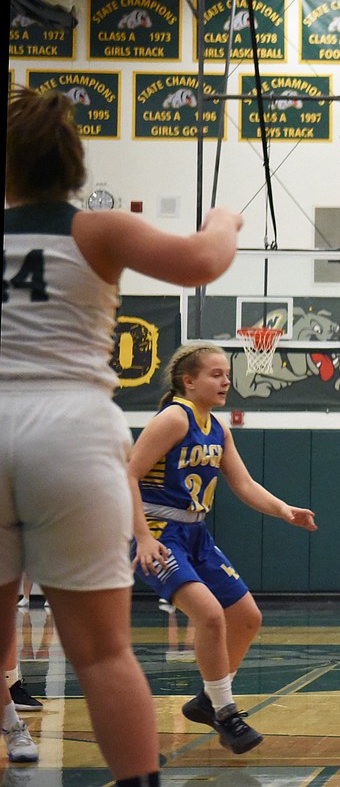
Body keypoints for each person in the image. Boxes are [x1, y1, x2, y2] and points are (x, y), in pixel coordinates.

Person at [1, 85, 242, 786]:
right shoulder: (96, 229)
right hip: (70, 433)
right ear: (75, 165)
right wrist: (224, 219)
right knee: (103, 652)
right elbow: (203, 261)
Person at [127, 343, 318, 753]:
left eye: (226, 373)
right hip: (159, 532)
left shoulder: (217, 427)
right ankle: (226, 713)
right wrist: (141, 535)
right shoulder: (174, 419)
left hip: (196, 535)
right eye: (216, 374)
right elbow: (126, 473)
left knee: (247, 617)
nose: (226, 380)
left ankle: (207, 699)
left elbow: (244, 484)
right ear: (188, 380)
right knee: (211, 616)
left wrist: (285, 510)